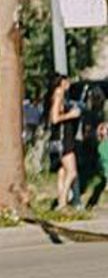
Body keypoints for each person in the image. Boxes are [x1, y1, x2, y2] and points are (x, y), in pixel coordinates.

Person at [47, 75, 81, 210]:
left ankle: (62, 201)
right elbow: (54, 118)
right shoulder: (59, 94)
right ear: (60, 83)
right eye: (65, 81)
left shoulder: (58, 95)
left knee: (62, 171)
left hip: (57, 139)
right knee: (72, 171)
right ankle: (63, 202)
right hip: (63, 139)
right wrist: (71, 115)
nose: (68, 83)